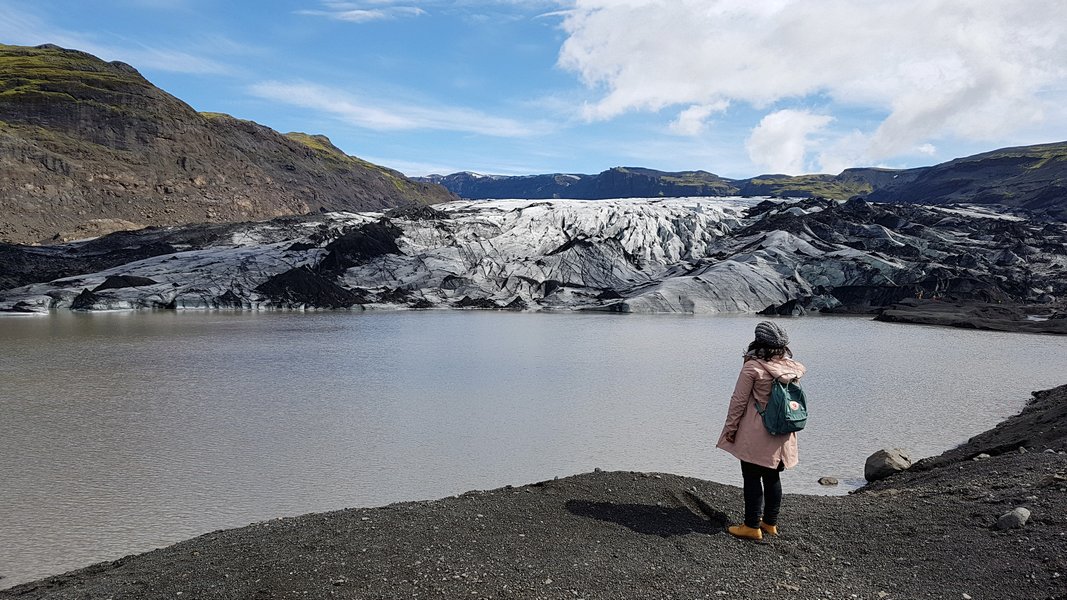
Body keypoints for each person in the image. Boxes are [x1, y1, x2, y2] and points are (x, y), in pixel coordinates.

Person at [716, 320, 806, 541]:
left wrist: (730, 429)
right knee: (773, 476)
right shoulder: (790, 368)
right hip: (782, 431)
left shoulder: (753, 366)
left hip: (756, 431)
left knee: (752, 476)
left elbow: (738, 401)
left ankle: (751, 526)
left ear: (758, 341)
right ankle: (770, 523)